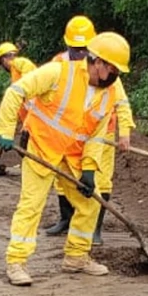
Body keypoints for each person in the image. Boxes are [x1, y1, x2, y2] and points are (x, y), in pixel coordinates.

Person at [0, 32, 131, 286]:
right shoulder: (58, 72)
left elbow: (96, 137)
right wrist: (4, 129)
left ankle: (77, 257)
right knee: (31, 205)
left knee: (91, 203)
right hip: (42, 148)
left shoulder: (108, 93)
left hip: (74, 155)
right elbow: (16, 92)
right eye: (112, 69)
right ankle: (16, 262)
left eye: (118, 71)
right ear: (97, 62)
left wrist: (89, 170)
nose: (115, 75)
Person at [44, 16, 135, 245]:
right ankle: (66, 219)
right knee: (62, 177)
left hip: (101, 134)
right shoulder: (59, 64)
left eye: (84, 49)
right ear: (67, 46)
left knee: (100, 180)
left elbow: (121, 103)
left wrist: (124, 132)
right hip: (69, 135)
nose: (80, 54)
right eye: (76, 49)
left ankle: (95, 229)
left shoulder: (107, 67)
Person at [0, 42, 37, 146]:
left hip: (36, 118)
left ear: (3, 59)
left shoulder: (18, 63)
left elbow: (27, 68)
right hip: (30, 119)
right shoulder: (15, 72)